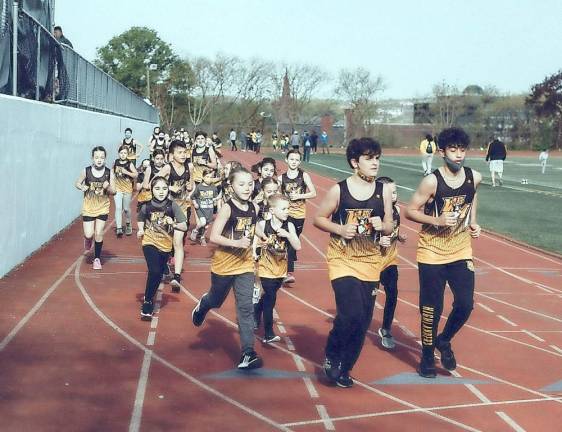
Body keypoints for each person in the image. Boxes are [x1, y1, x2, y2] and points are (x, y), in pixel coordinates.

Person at [313, 137, 393, 388]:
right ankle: (332, 354)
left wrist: (383, 226)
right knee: (351, 312)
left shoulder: (384, 192)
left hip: (370, 262)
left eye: (377, 158)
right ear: (354, 162)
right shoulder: (340, 190)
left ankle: (346, 366)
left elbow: (390, 224)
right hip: (342, 260)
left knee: (363, 321)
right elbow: (318, 218)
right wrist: (340, 228)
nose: (375, 163)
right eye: (369, 159)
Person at [405, 127, 482, 378]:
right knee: (431, 309)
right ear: (442, 152)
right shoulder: (432, 181)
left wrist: (473, 222)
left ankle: (444, 339)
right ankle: (427, 356)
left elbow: (473, 198)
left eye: (462, 150)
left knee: (465, 303)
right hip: (431, 252)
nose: (459, 155)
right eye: (453, 150)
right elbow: (410, 211)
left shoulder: (474, 177)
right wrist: (437, 220)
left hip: (460, 250)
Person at [191, 167, 263, 370]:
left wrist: (261, 238)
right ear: (231, 187)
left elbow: (252, 227)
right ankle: (204, 304)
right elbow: (214, 237)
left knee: (246, 308)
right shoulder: (227, 208)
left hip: (245, 265)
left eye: (250, 184)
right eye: (241, 184)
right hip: (223, 265)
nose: (247, 188)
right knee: (216, 300)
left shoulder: (255, 208)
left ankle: (248, 352)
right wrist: (237, 243)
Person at [137, 177, 188, 320]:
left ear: (168, 189)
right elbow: (140, 218)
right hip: (149, 241)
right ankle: (147, 301)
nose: (161, 192)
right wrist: (141, 230)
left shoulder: (173, 206)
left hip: (165, 245)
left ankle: (149, 296)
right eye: (157, 189)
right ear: (152, 190)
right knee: (153, 270)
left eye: (164, 189)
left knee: (158, 273)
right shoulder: (146, 206)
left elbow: (184, 225)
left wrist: (174, 223)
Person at [253, 194, 301, 343]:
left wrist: (287, 235)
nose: (287, 211)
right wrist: (255, 251)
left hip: (280, 270)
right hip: (265, 269)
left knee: (265, 298)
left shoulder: (289, 226)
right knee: (270, 299)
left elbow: (298, 246)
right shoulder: (262, 224)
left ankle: (255, 317)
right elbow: (255, 240)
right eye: (284, 208)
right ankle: (268, 334)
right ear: (272, 210)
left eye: (288, 208)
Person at [375, 177, 407, 349]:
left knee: (392, 293)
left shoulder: (397, 209)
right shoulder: (375, 212)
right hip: (372, 261)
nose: (394, 194)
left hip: (390, 260)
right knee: (368, 299)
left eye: (395, 191)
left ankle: (386, 328)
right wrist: (378, 241)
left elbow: (395, 229)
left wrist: (399, 236)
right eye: (390, 192)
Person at [158, 140, 193, 291]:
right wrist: (169, 186)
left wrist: (191, 188)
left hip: (182, 207)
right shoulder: (167, 168)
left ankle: (177, 276)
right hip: (168, 208)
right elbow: (155, 182)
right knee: (166, 241)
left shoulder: (189, 167)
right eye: (179, 152)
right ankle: (164, 264)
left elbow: (191, 184)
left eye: (184, 152)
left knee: (178, 242)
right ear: (172, 155)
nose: (183, 155)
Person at [75, 146, 115, 270]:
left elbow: (114, 192)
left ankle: (97, 258)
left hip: (102, 207)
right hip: (88, 207)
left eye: (102, 157)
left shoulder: (109, 172)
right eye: (97, 157)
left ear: (105, 159)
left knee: (98, 233)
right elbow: (77, 183)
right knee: (89, 234)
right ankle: (87, 240)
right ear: (92, 158)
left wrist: (108, 187)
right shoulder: (86, 171)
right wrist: (81, 187)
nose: (99, 160)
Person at [280, 149, 317, 283]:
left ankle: (290, 258)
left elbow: (314, 193)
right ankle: (288, 272)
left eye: (296, 160)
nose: (294, 162)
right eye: (292, 159)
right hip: (287, 214)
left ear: (299, 161)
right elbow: (278, 196)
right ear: (286, 160)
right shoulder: (281, 178)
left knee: (293, 242)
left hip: (300, 214)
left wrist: (299, 196)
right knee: (290, 239)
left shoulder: (304, 176)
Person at [190, 168, 220, 245]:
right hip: (200, 209)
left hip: (209, 209)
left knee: (206, 226)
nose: (208, 179)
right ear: (203, 177)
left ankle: (202, 237)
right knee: (202, 222)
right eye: (207, 177)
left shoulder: (213, 187)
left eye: (210, 177)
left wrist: (215, 202)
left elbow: (215, 197)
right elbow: (193, 196)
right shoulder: (199, 187)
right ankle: (195, 231)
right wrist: (195, 203)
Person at [113, 145, 138, 237]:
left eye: (125, 153)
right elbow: (112, 173)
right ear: (118, 153)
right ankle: (119, 228)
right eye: (121, 153)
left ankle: (128, 223)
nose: (123, 155)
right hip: (117, 188)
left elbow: (136, 175)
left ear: (127, 154)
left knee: (126, 209)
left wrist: (126, 172)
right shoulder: (115, 162)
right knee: (118, 208)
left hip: (127, 189)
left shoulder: (129, 164)